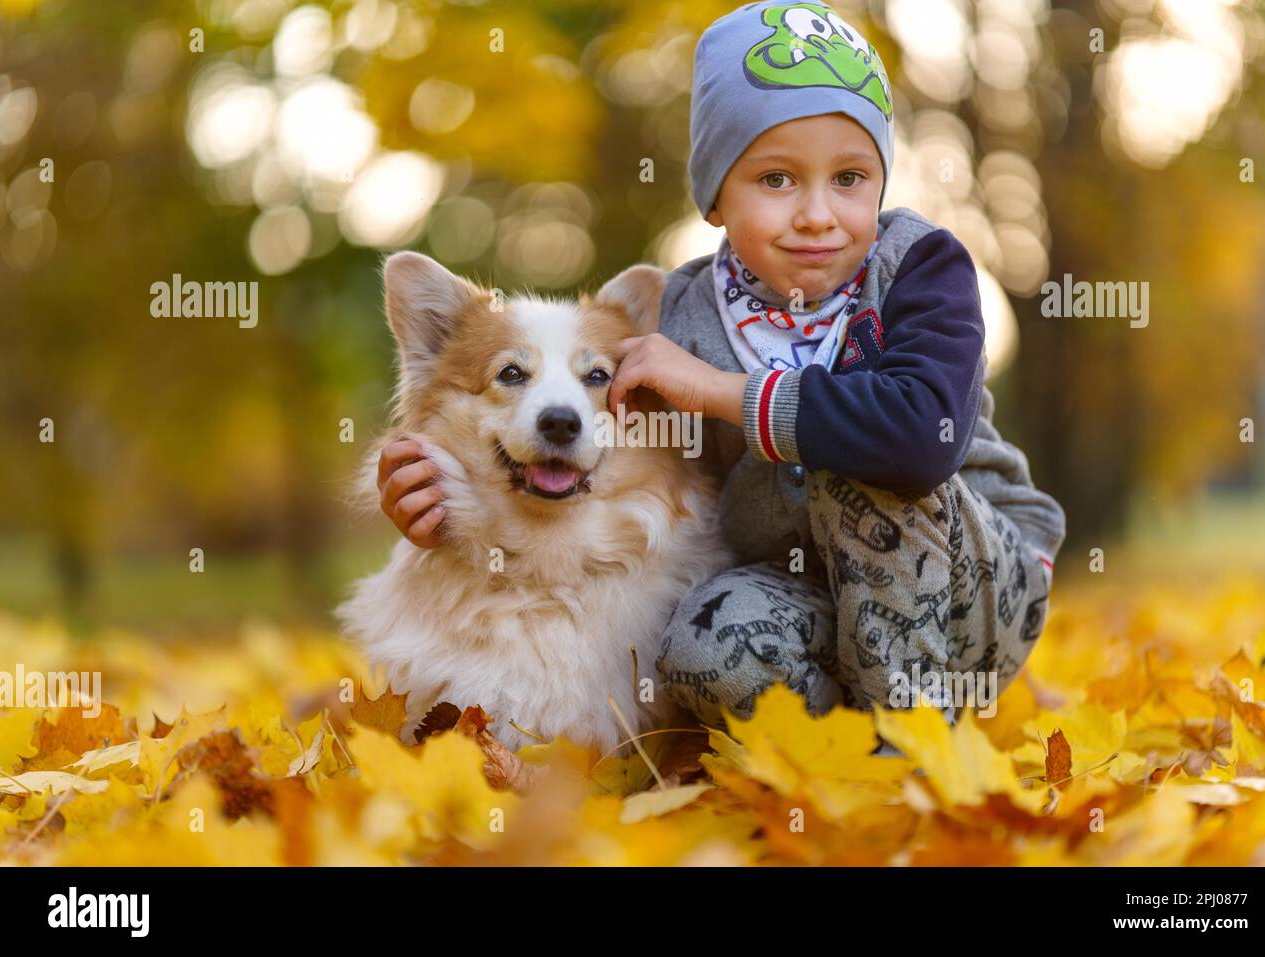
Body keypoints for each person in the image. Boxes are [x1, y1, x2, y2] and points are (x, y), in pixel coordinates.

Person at [376, 1, 1066, 752]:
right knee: (701, 647)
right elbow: (618, 435)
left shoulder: (921, 269)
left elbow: (917, 439)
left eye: (849, 177)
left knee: (847, 462)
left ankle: (915, 758)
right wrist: (421, 482)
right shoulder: (682, 315)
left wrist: (719, 391)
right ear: (713, 196)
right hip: (813, 598)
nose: (816, 213)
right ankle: (836, 754)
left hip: (974, 587)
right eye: (776, 179)